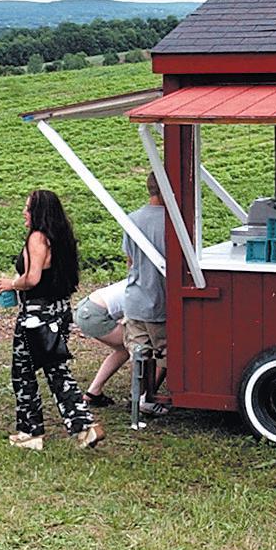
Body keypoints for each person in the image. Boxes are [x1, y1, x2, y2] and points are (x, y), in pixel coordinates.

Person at [0, 189, 103, 450]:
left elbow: (32, 278)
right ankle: (83, 427)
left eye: (28, 208)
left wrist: (12, 284)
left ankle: (31, 432)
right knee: (55, 368)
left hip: (36, 316)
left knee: (23, 371)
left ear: (40, 212)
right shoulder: (61, 238)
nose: (24, 213)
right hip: (59, 311)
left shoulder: (37, 238)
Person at [123, 173, 168, 417]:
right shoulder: (175, 223)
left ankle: (139, 400)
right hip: (160, 300)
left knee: (141, 352)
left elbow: (130, 261)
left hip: (135, 299)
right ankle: (150, 397)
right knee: (167, 353)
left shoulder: (132, 219)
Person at [74, 278, 129, 407]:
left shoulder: (137, 277)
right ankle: (140, 397)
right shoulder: (148, 287)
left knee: (123, 350)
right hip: (94, 315)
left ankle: (93, 393)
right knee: (140, 347)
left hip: (85, 308)